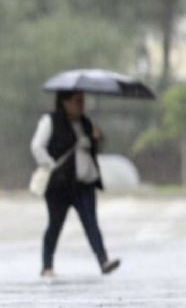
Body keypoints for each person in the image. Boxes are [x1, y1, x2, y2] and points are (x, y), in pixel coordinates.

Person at [30, 90, 121, 278]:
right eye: (76, 101)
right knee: (55, 224)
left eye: (82, 101)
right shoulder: (51, 121)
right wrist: (52, 166)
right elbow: (37, 146)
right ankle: (47, 265)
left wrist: (97, 139)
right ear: (64, 102)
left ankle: (104, 261)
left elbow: (94, 150)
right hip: (60, 185)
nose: (81, 105)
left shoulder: (86, 123)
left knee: (91, 223)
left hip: (84, 184)